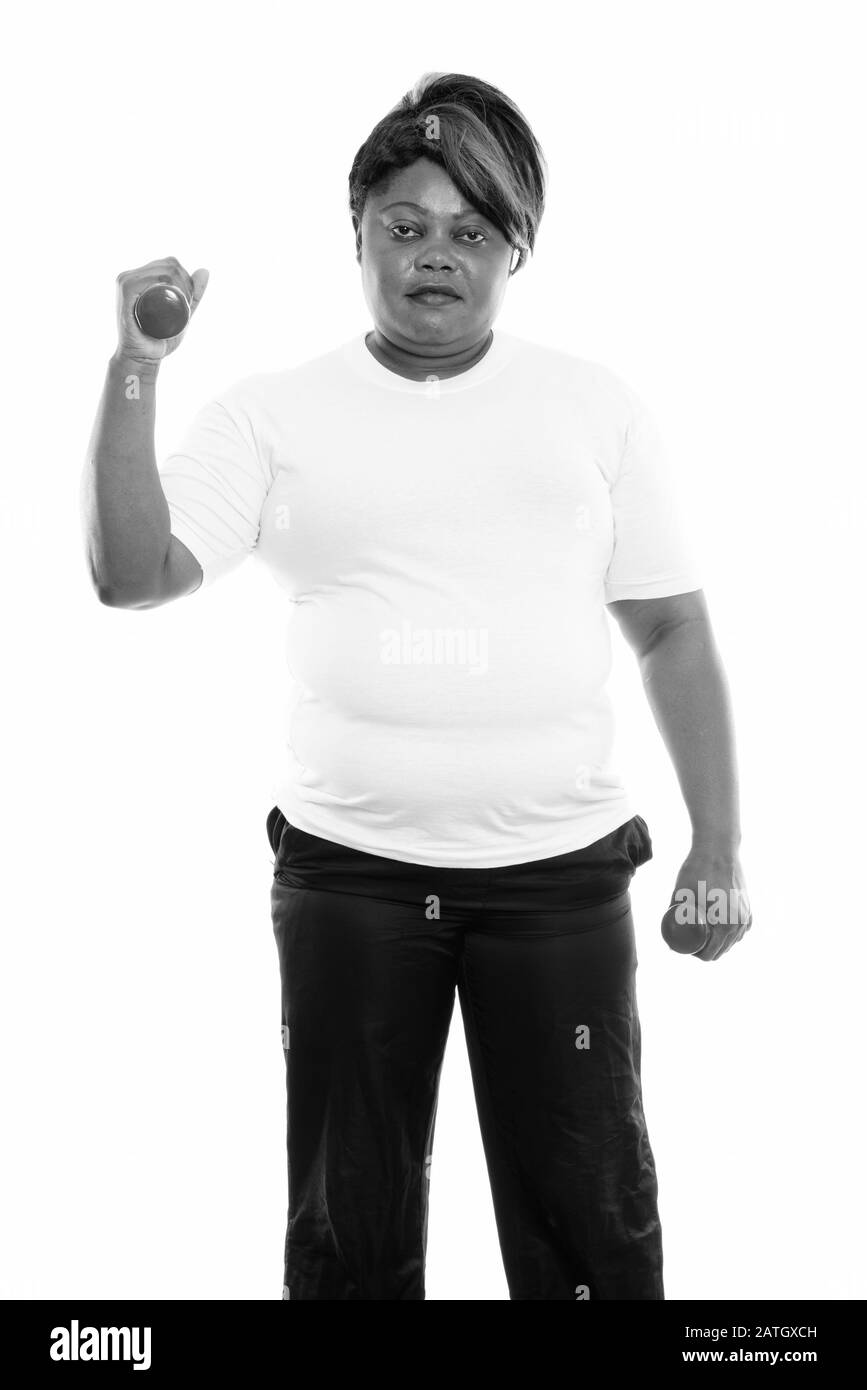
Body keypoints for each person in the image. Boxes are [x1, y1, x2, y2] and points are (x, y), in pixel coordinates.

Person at [81, 71, 752, 1301]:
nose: (436, 257)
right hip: (350, 877)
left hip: (559, 878)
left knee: (593, 1233)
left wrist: (719, 849)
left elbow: (672, 629)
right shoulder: (273, 413)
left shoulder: (591, 407)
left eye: (472, 231)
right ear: (358, 237)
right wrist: (137, 368)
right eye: (405, 226)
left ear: (515, 249)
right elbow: (132, 576)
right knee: (348, 1240)